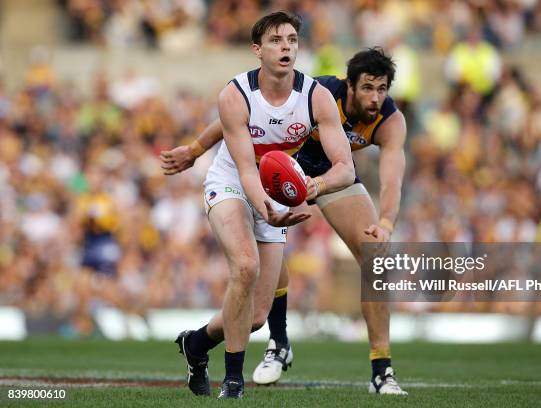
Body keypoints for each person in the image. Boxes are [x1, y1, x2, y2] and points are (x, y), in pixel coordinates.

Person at [162, 47, 408, 395]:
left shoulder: (390, 121)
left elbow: (393, 178)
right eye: (367, 87)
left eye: (382, 89)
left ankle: (382, 370)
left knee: (377, 256)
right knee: (262, 272)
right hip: (281, 174)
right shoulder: (318, 92)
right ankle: (279, 342)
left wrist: (385, 221)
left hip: (333, 177)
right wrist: (196, 149)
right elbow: (238, 117)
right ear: (348, 84)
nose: (375, 97)